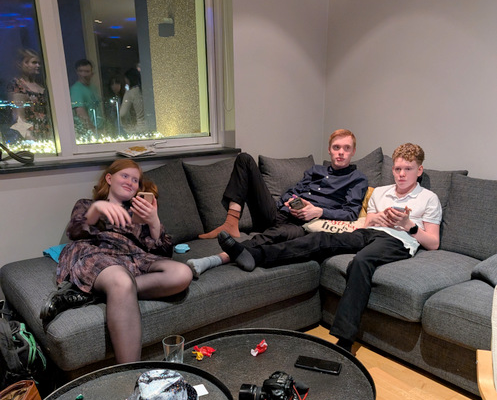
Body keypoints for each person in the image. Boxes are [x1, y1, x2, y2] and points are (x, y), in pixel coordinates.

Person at [216, 143, 442, 352]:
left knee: (361, 261)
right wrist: (378, 218)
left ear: (419, 170)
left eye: (408, 169)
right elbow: (367, 222)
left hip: (398, 241)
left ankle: (345, 340)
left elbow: (433, 243)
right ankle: (253, 254)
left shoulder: (428, 198)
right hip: (368, 233)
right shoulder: (381, 192)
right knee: (320, 239)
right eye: (398, 169)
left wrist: (409, 225)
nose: (401, 174)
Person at [40, 159, 193, 363]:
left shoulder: (139, 213)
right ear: (109, 178)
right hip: (97, 253)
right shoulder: (87, 204)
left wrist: (154, 222)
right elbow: (75, 233)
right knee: (121, 281)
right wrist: (97, 210)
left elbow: (164, 252)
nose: (130, 182)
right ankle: (129, 373)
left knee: (182, 273)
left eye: (135, 180)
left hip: (133, 255)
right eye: (125, 176)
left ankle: (95, 294)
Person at [187, 129, 368, 277]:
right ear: (329, 150)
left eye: (346, 148)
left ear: (353, 151)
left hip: (303, 225)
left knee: (277, 234)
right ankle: (231, 221)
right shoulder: (316, 170)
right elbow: (294, 190)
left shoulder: (357, 179)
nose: (341, 152)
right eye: (336, 147)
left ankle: (215, 259)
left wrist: (318, 211)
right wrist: (289, 201)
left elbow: (351, 213)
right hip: (280, 212)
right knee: (245, 159)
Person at [8, 48, 51, 141]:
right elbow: (19, 118)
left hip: (47, 134)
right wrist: (30, 138)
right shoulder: (18, 86)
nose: (38, 65)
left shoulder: (41, 85)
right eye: (34, 62)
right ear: (21, 64)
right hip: (30, 136)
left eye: (39, 63)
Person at [70, 58, 103, 135]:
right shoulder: (76, 89)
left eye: (87, 71)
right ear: (77, 72)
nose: (83, 74)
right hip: (88, 132)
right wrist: (93, 131)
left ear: (92, 73)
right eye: (81, 71)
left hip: (99, 129)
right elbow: (80, 112)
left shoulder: (93, 88)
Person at [120, 67, 146, 135]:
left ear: (128, 79)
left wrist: (128, 128)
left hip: (138, 128)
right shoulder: (144, 90)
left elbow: (122, 114)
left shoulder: (130, 93)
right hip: (150, 126)